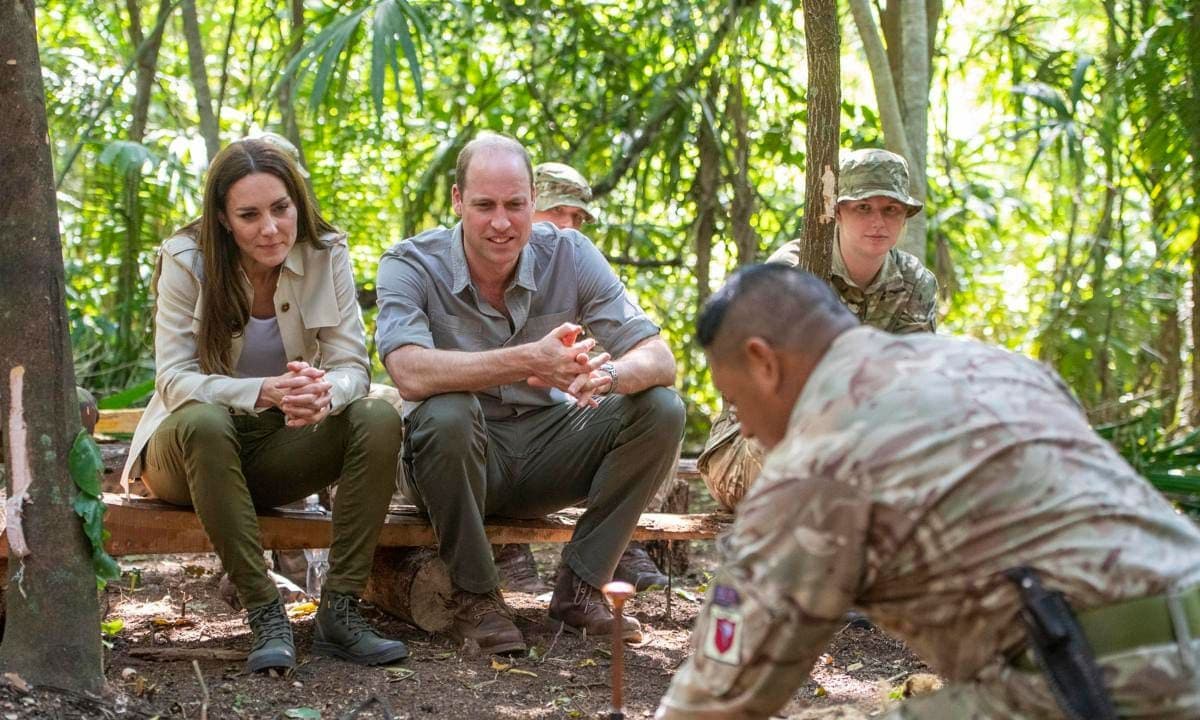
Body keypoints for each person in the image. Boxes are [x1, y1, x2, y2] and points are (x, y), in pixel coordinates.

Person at [656, 264, 1200, 719]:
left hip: (1105, 682)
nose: (744, 428)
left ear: (764, 362)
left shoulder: (817, 461)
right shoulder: (999, 366)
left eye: (734, 399)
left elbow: (715, 699)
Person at [375, 133, 685, 655]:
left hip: (546, 451)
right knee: (447, 413)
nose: (502, 222)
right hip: (454, 462)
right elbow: (408, 372)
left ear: (532, 203)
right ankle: (475, 598)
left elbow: (659, 357)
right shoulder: (411, 263)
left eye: (516, 205)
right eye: (485, 205)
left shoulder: (570, 253)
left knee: (660, 407)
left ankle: (581, 588)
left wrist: (607, 378)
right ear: (457, 201)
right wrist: (527, 359)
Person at [120, 138, 409, 673]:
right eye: (249, 215)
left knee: (377, 414)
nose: (270, 228)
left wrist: (325, 394)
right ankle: (264, 612)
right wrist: (261, 391)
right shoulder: (186, 259)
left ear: (297, 202)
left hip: (278, 446)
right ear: (224, 220)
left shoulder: (327, 252)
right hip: (187, 454)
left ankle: (339, 612)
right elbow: (174, 381)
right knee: (205, 421)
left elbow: (352, 366)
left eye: (281, 209)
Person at [698, 148, 938, 512]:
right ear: (838, 211)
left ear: (904, 217)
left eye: (891, 209)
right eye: (863, 208)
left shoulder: (914, 282)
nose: (878, 221)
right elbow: (773, 392)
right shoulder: (795, 270)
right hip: (753, 447)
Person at [490, 161, 671, 595]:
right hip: (485, 433)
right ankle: (506, 553)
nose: (568, 226)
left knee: (653, 404)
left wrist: (608, 373)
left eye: (577, 218)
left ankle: (611, 548)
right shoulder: (476, 257)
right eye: (557, 214)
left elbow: (644, 350)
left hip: (560, 423)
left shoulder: (576, 261)